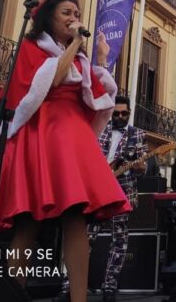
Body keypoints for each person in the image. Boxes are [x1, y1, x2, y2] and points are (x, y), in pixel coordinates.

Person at [0, 0, 129, 302]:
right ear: (49, 17)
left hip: (72, 136)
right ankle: (14, 295)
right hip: (41, 133)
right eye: (67, 12)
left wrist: (102, 60)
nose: (73, 18)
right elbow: (49, 80)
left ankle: (78, 298)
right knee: (27, 221)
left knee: (75, 217)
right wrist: (77, 45)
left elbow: (97, 90)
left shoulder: (76, 55)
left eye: (77, 13)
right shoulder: (32, 47)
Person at [55, 96, 148, 302]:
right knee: (84, 239)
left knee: (119, 242)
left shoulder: (137, 134)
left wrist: (141, 167)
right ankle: (69, 286)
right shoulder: (98, 129)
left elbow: (141, 169)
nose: (121, 117)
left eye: (125, 113)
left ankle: (110, 287)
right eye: (117, 113)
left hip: (123, 193)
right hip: (96, 192)